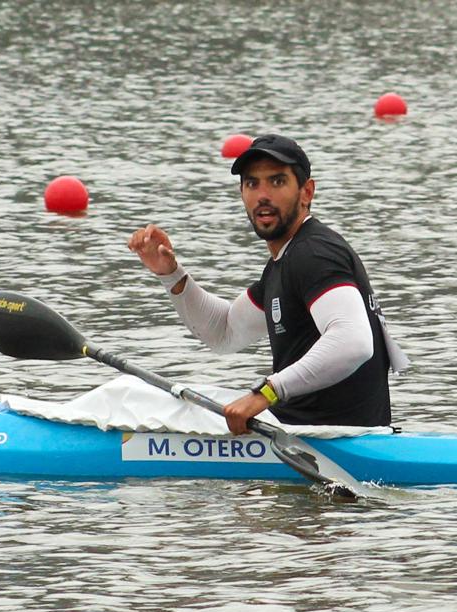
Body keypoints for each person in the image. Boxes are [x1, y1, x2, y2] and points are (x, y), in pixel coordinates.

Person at [127, 134, 407, 435]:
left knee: (127, 396)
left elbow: (354, 341)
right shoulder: (285, 261)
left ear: (306, 192)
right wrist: (170, 274)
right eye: (252, 184)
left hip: (328, 439)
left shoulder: (314, 254)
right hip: (309, 432)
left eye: (277, 182)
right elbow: (224, 331)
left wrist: (265, 393)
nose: (263, 195)